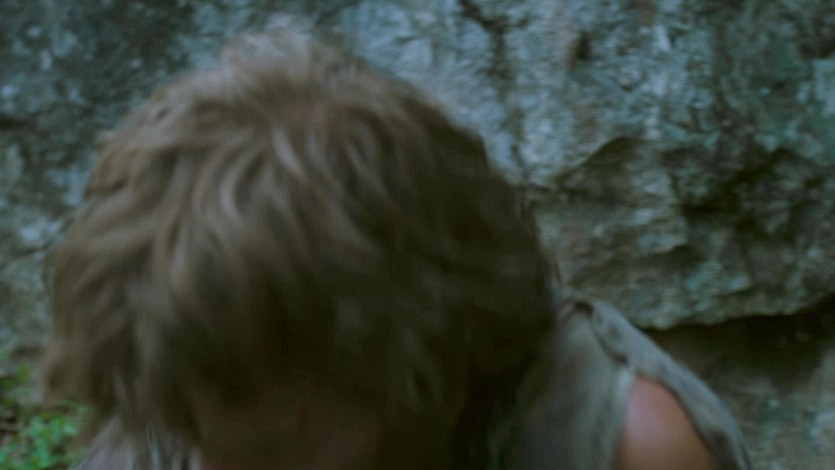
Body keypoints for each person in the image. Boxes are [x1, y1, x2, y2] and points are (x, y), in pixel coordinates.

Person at [43, 30, 752, 469]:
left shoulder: (620, 448)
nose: (203, 466)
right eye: (184, 432)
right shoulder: (198, 383)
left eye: (272, 452)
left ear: (416, 372)